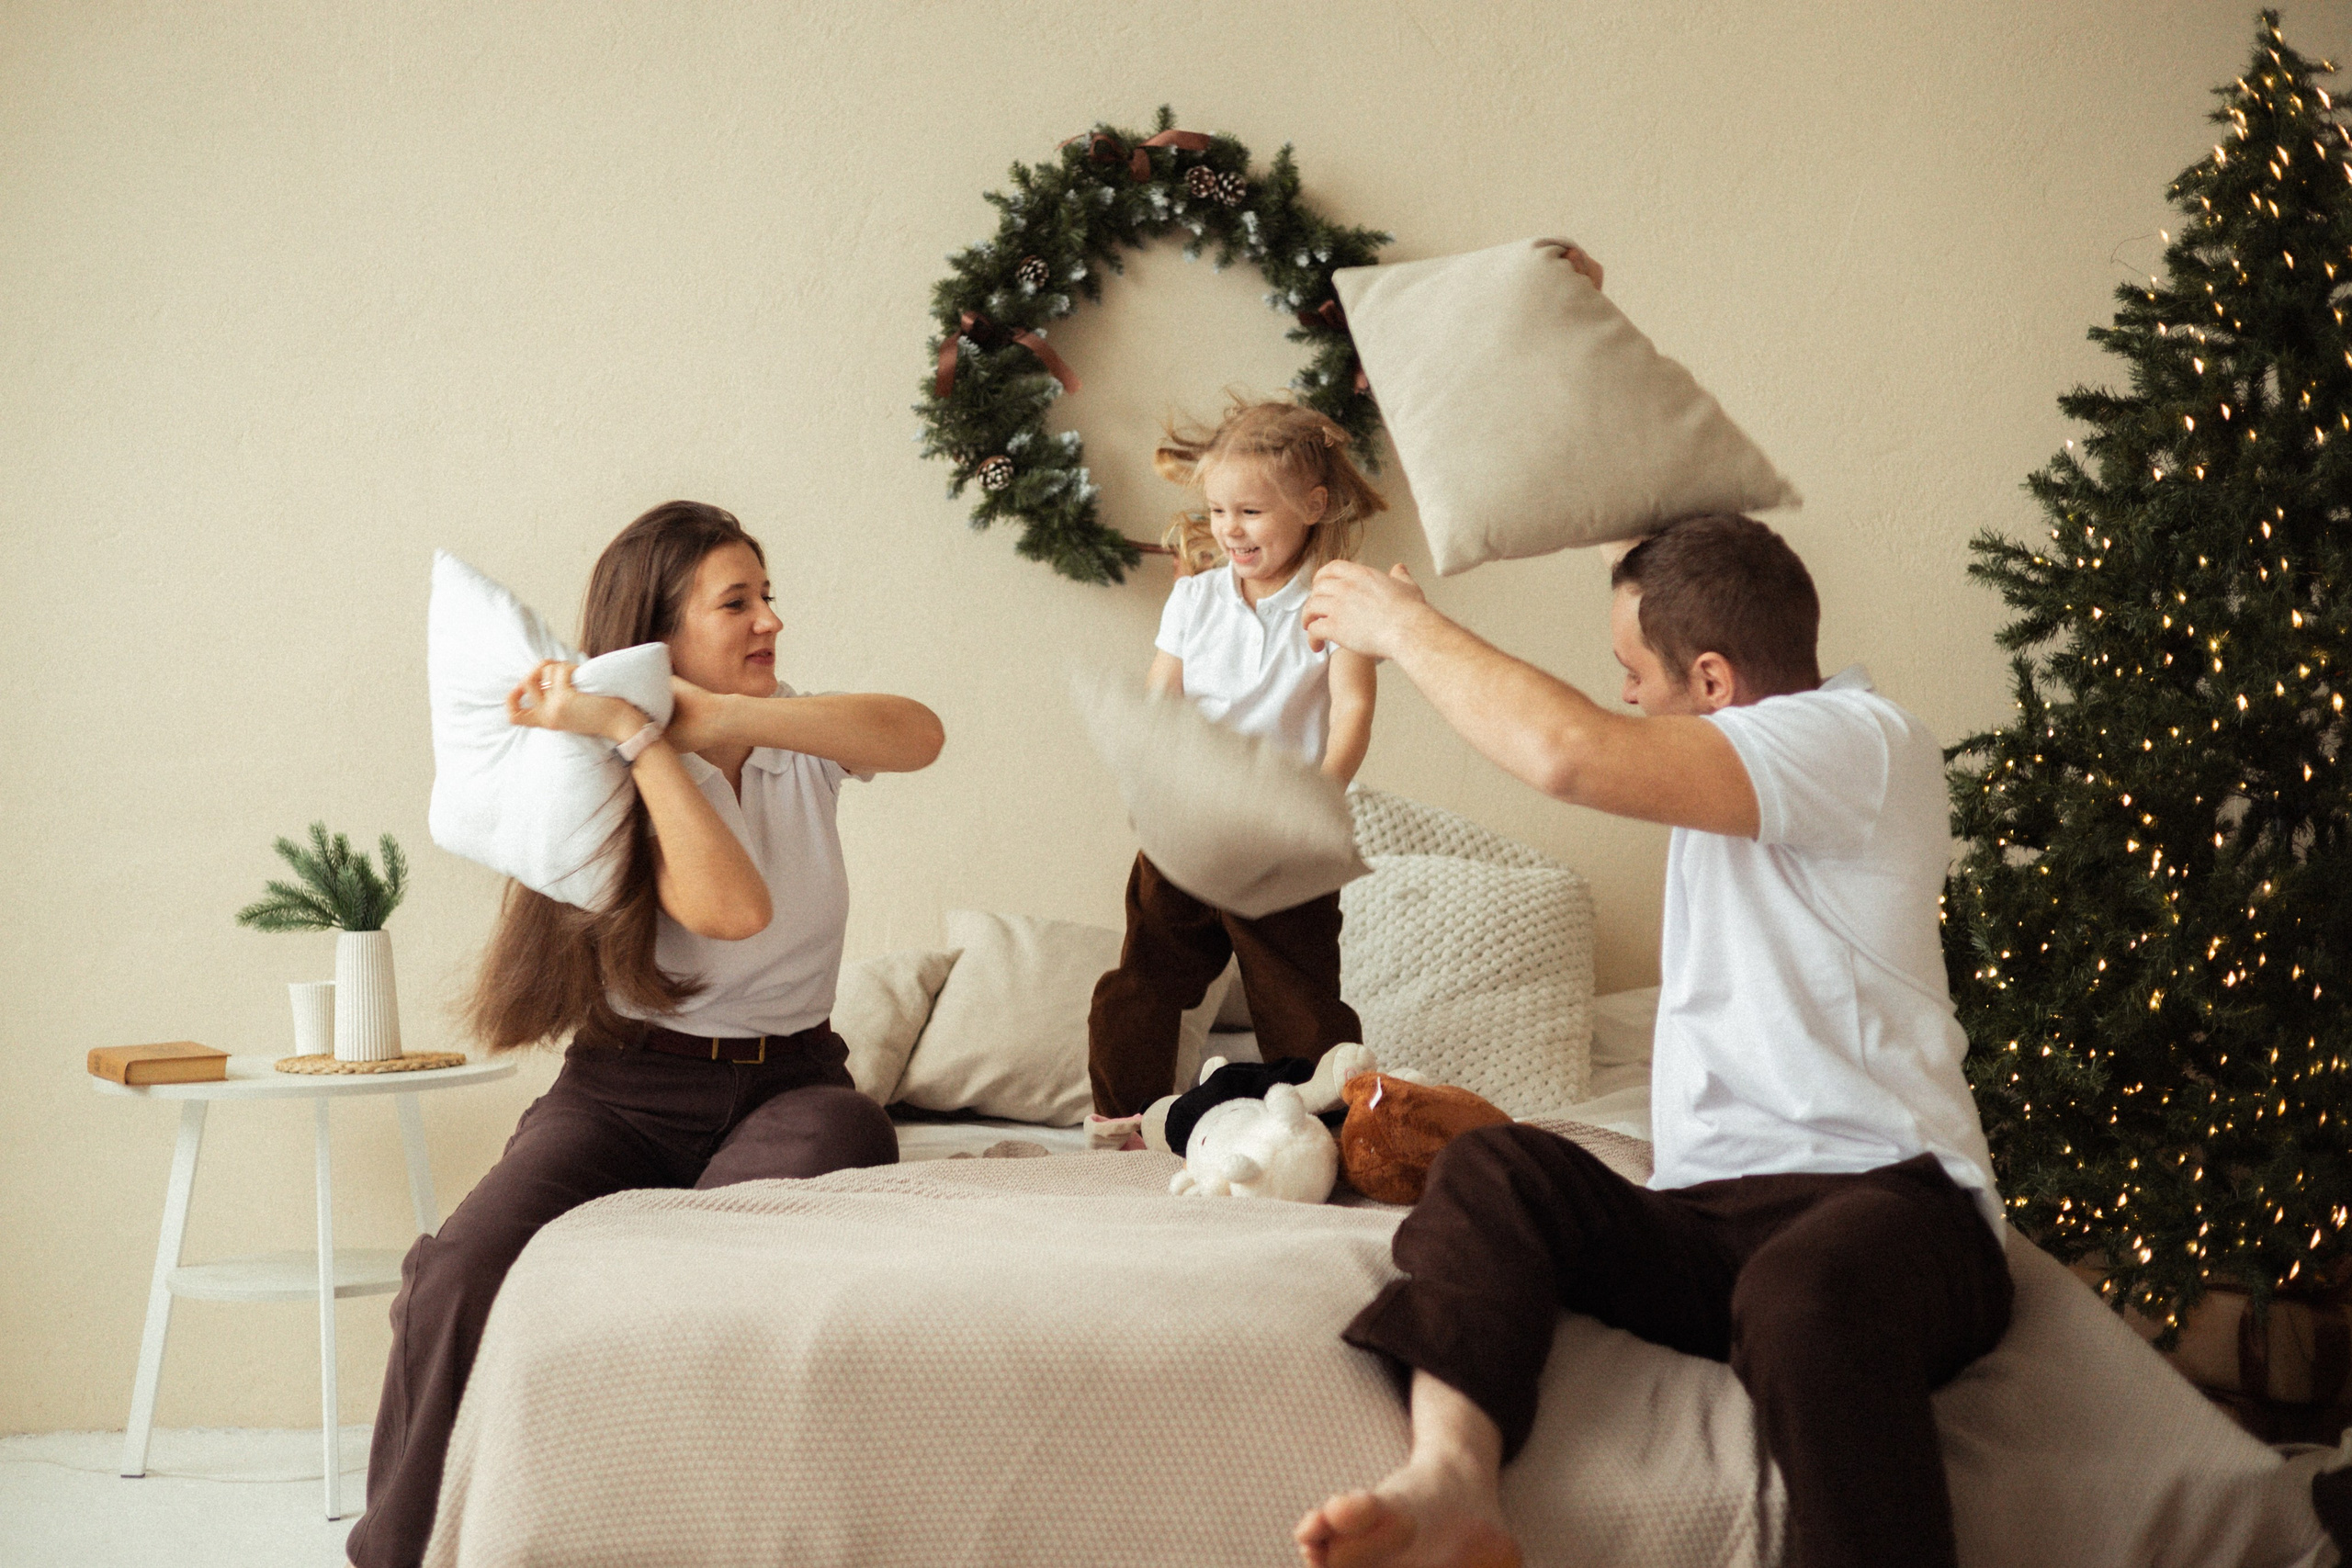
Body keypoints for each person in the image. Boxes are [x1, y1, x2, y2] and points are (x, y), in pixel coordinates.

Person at [1291, 513, 2011, 1568]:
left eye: (1633, 670)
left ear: (1713, 681)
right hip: (1709, 1221)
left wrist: (1402, 626)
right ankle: (1452, 1482)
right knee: (1495, 1166)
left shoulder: (1859, 741)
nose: (1624, 693)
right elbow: (1635, 544)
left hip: (1894, 1204)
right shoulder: (1744, 767)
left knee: (1799, 1292)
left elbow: (1567, 753)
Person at [344, 501, 944, 1568]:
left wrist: (729, 720)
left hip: (792, 1082)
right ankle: (393, 1551)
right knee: (456, 1274)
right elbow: (730, 908)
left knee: (728, 1245)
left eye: (767, 596)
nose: (768, 621)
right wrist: (640, 733)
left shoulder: (790, 726)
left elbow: (917, 733)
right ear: (661, 637)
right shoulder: (601, 768)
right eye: (737, 602)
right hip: (621, 1088)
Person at [1087, 398, 1389, 1122]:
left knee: (1298, 995)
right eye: (1220, 511)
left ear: (1313, 505)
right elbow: (1165, 702)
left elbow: (1352, 709)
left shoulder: (1336, 596)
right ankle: (1124, 1120)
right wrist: (1150, 776)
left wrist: (1318, 795)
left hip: (1284, 837)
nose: (1230, 529)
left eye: (1251, 512)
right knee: (1144, 980)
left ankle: (1323, 1123)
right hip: (1188, 826)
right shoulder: (1194, 599)